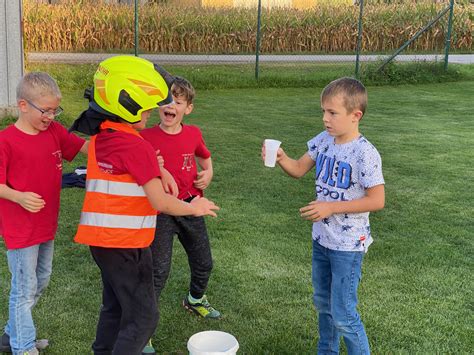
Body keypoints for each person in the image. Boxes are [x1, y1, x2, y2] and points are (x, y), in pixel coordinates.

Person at [71, 56, 219, 355]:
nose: (151, 114)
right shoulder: (138, 145)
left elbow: (126, 166)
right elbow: (160, 201)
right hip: (127, 245)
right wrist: (195, 207)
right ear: (129, 107)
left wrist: (159, 169)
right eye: (148, 109)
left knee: (115, 307)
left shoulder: (103, 138)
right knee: (144, 317)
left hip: (101, 243)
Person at [262, 77, 385, 354]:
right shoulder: (323, 141)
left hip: (348, 246)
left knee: (343, 313)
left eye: (332, 113)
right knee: (324, 306)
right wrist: (282, 158)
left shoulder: (365, 153)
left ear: (356, 116)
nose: (325, 119)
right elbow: (297, 169)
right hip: (322, 240)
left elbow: (377, 200)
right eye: (323, 111)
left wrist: (330, 207)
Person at [0, 72, 88, 355]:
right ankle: (23, 347)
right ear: (23, 105)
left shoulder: (54, 132)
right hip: (21, 229)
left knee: (41, 281)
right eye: (45, 110)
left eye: (55, 110)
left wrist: (122, 145)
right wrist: (19, 196)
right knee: (24, 290)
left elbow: (84, 148)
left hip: (45, 225)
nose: (51, 116)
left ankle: (12, 334)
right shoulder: (6, 141)